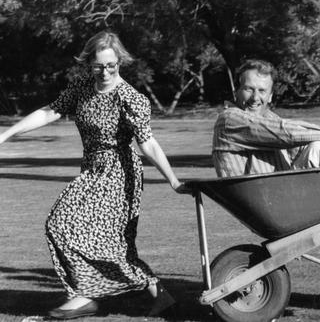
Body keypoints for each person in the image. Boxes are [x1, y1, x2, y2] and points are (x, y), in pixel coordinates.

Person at [0, 31, 190, 319]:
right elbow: (51, 111)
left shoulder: (130, 98)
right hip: (91, 169)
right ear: (89, 64)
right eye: (98, 66)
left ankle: (89, 296)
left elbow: (147, 143)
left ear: (120, 62)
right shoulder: (82, 87)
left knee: (105, 242)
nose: (104, 72)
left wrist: (173, 180)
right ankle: (137, 294)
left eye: (111, 65)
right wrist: (7, 134)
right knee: (61, 226)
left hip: (119, 173)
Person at [212, 59, 320, 177]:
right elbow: (286, 133)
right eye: (249, 89)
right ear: (236, 92)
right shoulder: (229, 119)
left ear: (271, 96)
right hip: (267, 198)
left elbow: (299, 143)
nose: (255, 97)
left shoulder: (268, 117)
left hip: (283, 193)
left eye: (262, 91)